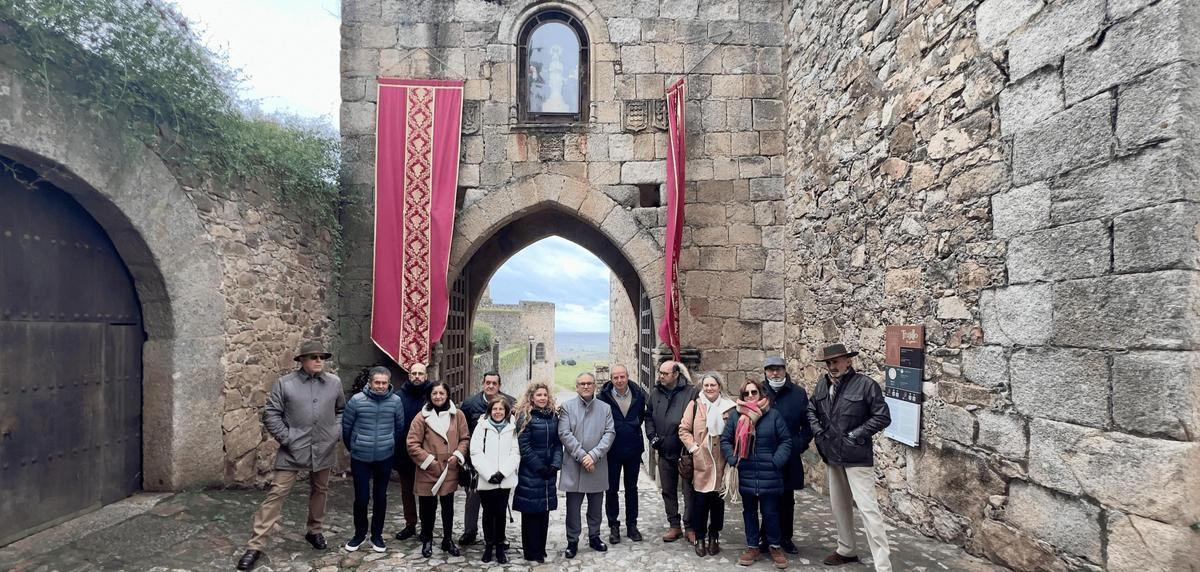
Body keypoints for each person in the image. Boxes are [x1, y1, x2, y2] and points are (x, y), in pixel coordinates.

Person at [237, 341, 346, 571]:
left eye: (321, 357)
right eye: (313, 357)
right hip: (292, 449)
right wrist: (287, 439)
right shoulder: (285, 384)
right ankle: (255, 545)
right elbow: (271, 414)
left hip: (324, 448)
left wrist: (335, 432)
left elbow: (341, 411)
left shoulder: (334, 383)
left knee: (321, 490)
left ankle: (314, 531)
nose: (319, 361)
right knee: (277, 493)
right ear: (302, 361)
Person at [806, 343, 893, 571]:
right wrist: (818, 432)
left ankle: (883, 565)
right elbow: (811, 409)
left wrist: (856, 435)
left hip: (856, 455)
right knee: (839, 506)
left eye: (836, 361)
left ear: (848, 361)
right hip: (832, 454)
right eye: (828, 363)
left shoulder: (866, 385)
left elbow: (882, 417)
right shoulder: (822, 385)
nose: (832, 366)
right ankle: (846, 549)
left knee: (868, 509)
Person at [721, 378, 793, 569]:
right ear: (742, 396)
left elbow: (786, 441)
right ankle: (752, 546)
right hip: (747, 472)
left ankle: (775, 546)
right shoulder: (736, 416)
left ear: (761, 394)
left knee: (771, 513)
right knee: (749, 512)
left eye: (754, 392)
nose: (751, 396)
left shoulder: (774, 415)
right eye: (747, 393)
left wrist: (776, 461)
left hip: (770, 473)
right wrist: (733, 459)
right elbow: (726, 440)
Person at [340, 366, 406, 552]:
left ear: (389, 383)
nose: (380, 386)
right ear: (370, 383)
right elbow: (347, 428)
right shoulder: (356, 401)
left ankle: (377, 536)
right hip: (361, 457)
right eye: (377, 382)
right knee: (361, 498)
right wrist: (354, 445)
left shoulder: (395, 402)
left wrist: (390, 443)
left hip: (384, 456)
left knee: (380, 497)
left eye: (384, 383)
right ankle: (359, 534)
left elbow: (399, 428)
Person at [406, 380, 470, 558]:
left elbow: (465, 438)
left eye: (442, 393)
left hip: (449, 468)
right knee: (427, 508)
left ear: (447, 395)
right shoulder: (421, 417)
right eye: (435, 393)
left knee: (448, 507)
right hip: (429, 470)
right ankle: (427, 539)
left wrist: (457, 455)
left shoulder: (457, 415)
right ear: (429, 396)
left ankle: (447, 539)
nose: (438, 396)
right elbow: (412, 444)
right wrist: (430, 462)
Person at [557, 371, 616, 558]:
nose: (586, 386)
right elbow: (564, 433)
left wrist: (594, 455)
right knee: (573, 507)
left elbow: (610, 433)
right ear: (577, 386)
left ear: (594, 386)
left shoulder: (605, 408)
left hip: (596, 463)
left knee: (596, 504)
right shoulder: (567, 407)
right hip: (575, 464)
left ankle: (594, 536)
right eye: (582, 383)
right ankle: (572, 540)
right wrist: (583, 456)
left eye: (589, 383)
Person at [678, 372, 736, 557]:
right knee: (700, 503)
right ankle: (700, 537)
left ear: (719, 386)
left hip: (721, 462)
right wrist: (694, 448)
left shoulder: (729, 408)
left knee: (717, 504)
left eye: (713, 385)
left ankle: (714, 535)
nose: (709, 388)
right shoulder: (695, 405)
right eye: (706, 385)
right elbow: (684, 429)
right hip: (701, 462)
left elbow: (734, 432)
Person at [760, 356, 814, 554]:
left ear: (785, 370)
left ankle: (785, 538)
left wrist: (798, 445)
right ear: (765, 371)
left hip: (789, 455)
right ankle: (765, 537)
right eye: (771, 369)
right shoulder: (758, 391)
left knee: (787, 498)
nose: (775, 373)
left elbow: (808, 424)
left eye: (779, 369)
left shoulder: (798, 394)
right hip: (765, 455)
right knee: (767, 497)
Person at [459, 371, 515, 547]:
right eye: (487, 382)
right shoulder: (469, 404)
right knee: (473, 497)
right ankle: (470, 531)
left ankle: (499, 535)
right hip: (477, 462)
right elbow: (463, 430)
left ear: (499, 385)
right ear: (483, 384)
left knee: (500, 502)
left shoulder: (511, 402)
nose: (490, 386)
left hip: (500, 461)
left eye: (494, 383)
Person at [645, 359, 698, 543]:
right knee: (668, 490)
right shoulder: (655, 393)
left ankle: (690, 526)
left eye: (665, 373)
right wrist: (653, 438)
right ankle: (674, 525)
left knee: (689, 491)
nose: (661, 376)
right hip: (664, 450)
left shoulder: (691, 393)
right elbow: (649, 417)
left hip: (685, 452)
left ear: (676, 374)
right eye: (660, 373)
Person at [595, 363, 647, 543]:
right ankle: (613, 526)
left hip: (633, 448)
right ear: (611, 378)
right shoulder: (602, 397)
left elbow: (641, 416)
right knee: (612, 489)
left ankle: (632, 525)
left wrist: (631, 428)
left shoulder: (639, 394)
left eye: (622, 377)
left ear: (627, 376)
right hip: (612, 450)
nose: (619, 380)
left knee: (632, 489)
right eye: (615, 377)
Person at [512, 381, 562, 563]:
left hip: (549, 471)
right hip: (532, 472)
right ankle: (531, 551)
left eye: (545, 395)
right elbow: (524, 446)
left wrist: (555, 465)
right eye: (538, 395)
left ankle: (540, 548)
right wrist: (539, 467)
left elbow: (557, 443)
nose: (542, 398)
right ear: (532, 397)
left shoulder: (553, 416)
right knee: (530, 513)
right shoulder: (525, 416)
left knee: (544, 511)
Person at [470, 396, 520, 563]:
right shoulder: (482, 427)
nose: (498, 412)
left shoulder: (512, 428)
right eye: (494, 409)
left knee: (500, 513)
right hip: (487, 479)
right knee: (488, 512)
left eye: (501, 409)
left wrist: (503, 472)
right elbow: (475, 452)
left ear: (506, 411)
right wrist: (488, 473)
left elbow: (515, 453)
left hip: (504, 479)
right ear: (490, 411)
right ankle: (489, 545)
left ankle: (499, 546)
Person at [393, 362, 432, 542]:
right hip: (404, 452)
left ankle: (426, 527)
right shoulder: (399, 397)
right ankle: (410, 524)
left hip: (428, 453)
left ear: (425, 376)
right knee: (407, 491)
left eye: (420, 373)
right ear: (409, 376)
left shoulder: (433, 395)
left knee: (426, 492)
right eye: (414, 373)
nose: (417, 376)